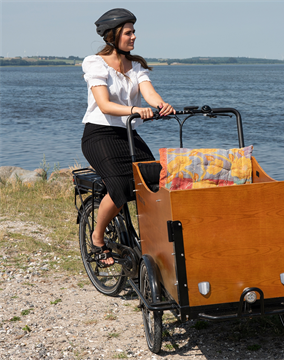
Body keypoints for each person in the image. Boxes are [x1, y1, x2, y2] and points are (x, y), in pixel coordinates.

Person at [81, 8, 175, 266]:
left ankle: (154, 242)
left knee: (156, 179)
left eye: (134, 32)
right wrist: (134, 110)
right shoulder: (94, 63)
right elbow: (105, 105)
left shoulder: (135, 66)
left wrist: (161, 105)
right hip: (99, 135)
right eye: (128, 32)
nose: (134, 37)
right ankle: (98, 238)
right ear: (113, 36)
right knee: (121, 185)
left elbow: (149, 93)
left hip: (127, 134)